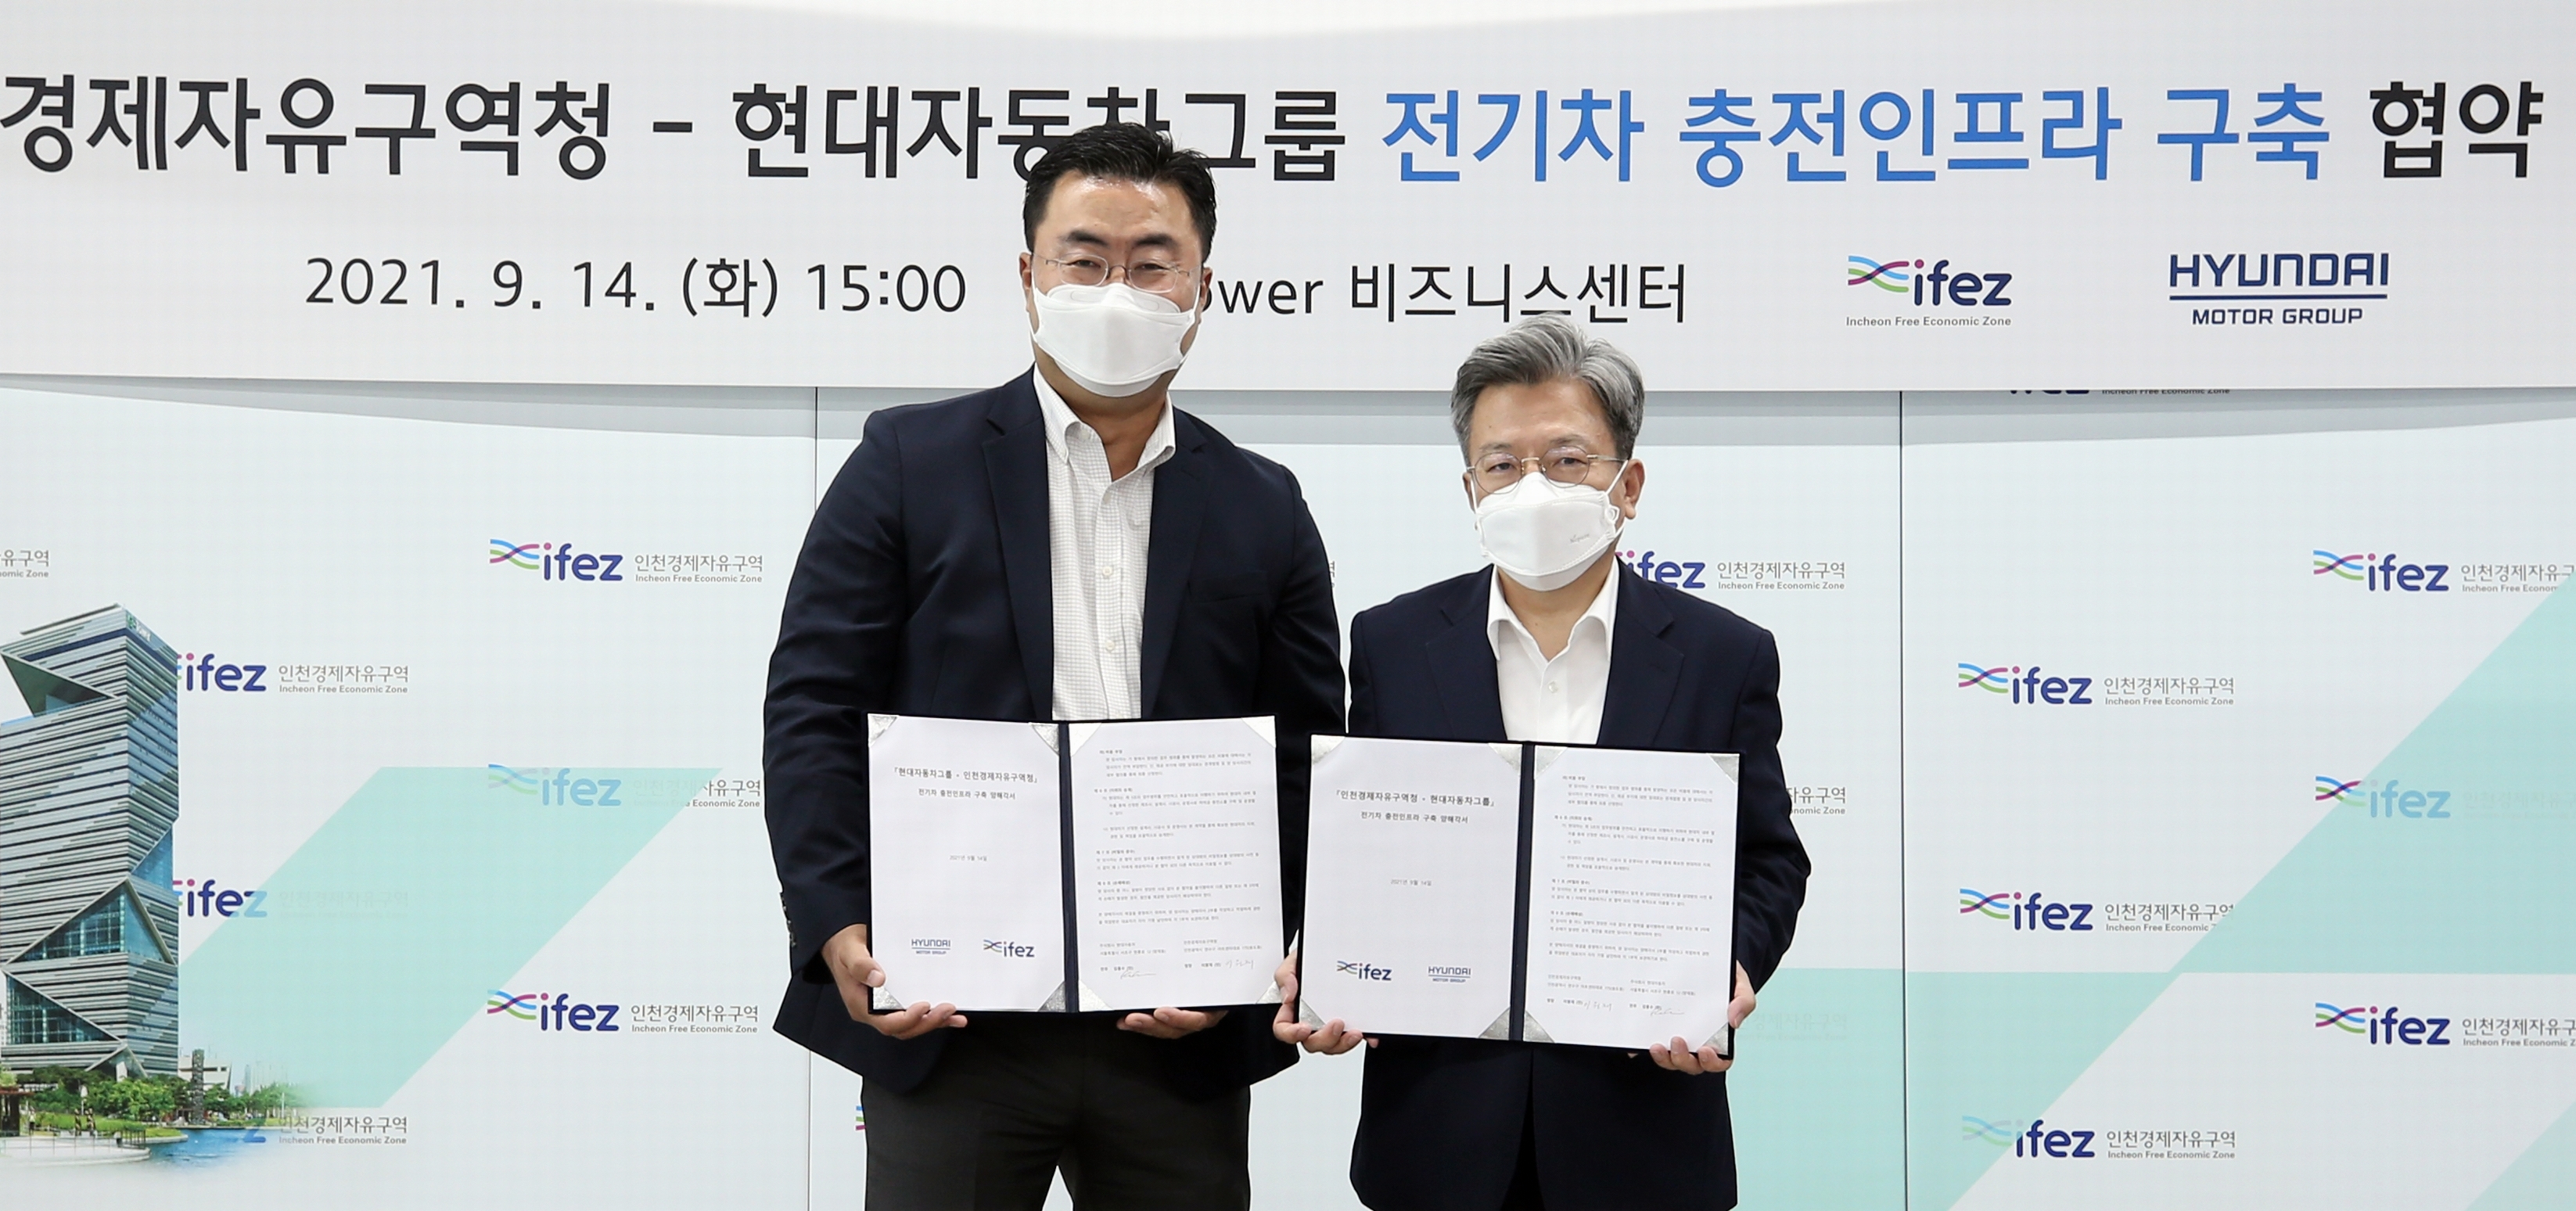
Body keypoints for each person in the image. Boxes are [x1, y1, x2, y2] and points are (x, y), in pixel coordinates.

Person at [764, 121, 1343, 1211]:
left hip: (1174, 1028)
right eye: (1085, 259)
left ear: (1202, 289)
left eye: (1151, 262)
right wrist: (836, 921)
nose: (1116, 290)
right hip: (955, 1016)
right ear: (1029, 276)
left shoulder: (1262, 502)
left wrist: (1247, 951)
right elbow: (814, 708)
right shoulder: (907, 462)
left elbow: (1303, 757)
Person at [1274, 316, 1812, 1211]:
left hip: (1640, 1121)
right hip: (1438, 1128)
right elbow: (1365, 849)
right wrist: (1327, 962)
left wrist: (1730, 971)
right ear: (1470, 488)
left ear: (1627, 484)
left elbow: (1768, 860)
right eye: (1501, 464)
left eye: (1567, 460)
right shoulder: (1393, 642)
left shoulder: (1723, 654)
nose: (1532, 487)